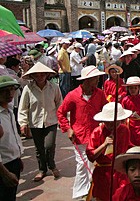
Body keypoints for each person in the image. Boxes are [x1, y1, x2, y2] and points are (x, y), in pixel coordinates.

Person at [57, 65, 108, 200]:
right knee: (82, 164)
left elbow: (106, 110)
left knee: (95, 163)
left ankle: (93, 190)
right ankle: (80, 192)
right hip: (79, 136)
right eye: (95, 78)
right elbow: (61, 112)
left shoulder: (100, 94)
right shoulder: (73, 95)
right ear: (86, 80)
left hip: (97, 136)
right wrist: (68, 128)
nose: (97, 80)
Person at [17, 62, 62, 182]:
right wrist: (23, 123)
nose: (40, 77)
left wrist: (61, 120)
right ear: (32, 76)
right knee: (39, 148)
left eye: (43, 74)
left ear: (47, 75)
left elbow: (59, 104)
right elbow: (23, 107)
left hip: (51, 121)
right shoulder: (28, 89)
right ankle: (42, 169)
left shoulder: (54, 87)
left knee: (49, 145)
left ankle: (52, 165)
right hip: (35, 122)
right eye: (37, 75)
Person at [87, 102, 132, 201]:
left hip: (120, 171)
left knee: (122, 196)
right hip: (103, 174)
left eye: (115, 122)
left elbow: (128, 147)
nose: (111, 125)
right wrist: (104, 145)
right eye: (108, 122)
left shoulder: (125, 130)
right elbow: (91, 156)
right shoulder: (97, 132)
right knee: (104, 197)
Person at [0, 76, 23, 201]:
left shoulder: (9, 111)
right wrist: (4, 172)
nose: (9, 94)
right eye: (4, 91)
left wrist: (18, 157)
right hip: (3, 166)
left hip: (13, 162)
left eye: (11, 90)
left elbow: (13, 137)